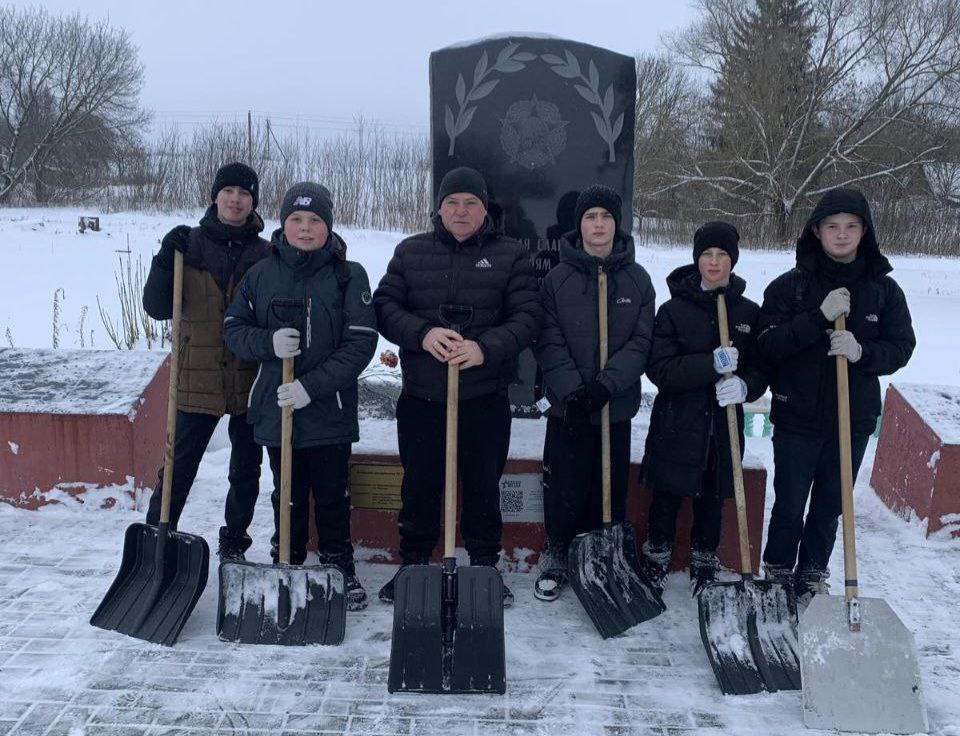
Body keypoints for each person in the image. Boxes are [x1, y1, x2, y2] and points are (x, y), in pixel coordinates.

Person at [373, 166, 541, 607]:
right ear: (439, 209)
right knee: (419, 485)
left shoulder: (511, 256)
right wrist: (423, 333)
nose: (461, 211)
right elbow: (385, 306)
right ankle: (413, 565)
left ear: (485, 210)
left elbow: (527, 317)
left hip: (484, 397)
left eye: (470, 203)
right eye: (452, 203)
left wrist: (485, 348)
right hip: (423, 397)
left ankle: (484, 567)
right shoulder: (410, 252)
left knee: (484, 487)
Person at [222, 182, 377, 611]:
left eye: (314, 220)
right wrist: (267, 342)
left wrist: (312, 387)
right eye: (296, 219)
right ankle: (285, 558)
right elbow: (233, 328)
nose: (305, 228)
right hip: (278, 407)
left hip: (329, 410)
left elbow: (361, 342)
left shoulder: (349, 276)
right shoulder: (261, 274)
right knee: (286, 491)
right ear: (283, 224)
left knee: (332, 494)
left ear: (328, 226)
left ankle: (338, 563)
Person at [757, 187, 915, 604]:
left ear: (864, 231)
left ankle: (812, 574)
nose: (841, 235)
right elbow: (768, 344)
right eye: (832, 226)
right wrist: (817, 318)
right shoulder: (789, 288)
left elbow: (902, 347)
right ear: (817, 231)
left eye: (850, 226)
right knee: (790, 503)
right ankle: (777, 571)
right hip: (797, 417)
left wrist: (863, 352)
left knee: (830, 505)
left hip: (852, 419)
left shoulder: (884, 292)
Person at [531, 185, 656, 601]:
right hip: (568, 407)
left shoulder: (637, 280)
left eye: (605, 216)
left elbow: (641, 342)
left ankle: (603, 556)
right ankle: (557, 551)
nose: (598, 225)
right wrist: (572, 390)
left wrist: (606, 385)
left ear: (617, 224)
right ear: (579, 225)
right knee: (564, 484)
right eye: (590, 217)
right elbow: (547, 339)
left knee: (609, 486)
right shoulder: (557, 279)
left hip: (613, 406)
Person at [141, 162, 269, 560]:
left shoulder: (265, 254)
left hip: (250, 378)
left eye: (244, 193)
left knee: (245, 470)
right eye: (228, 191)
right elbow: (156, 307)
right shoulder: (187, 246)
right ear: (215, 196)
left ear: (253, 202)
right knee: (178, 467)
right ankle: (156, 539)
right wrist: (164, 260)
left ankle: (234, 541)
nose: (236, 199)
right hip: (197, 379)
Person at [639, 222, 768, 595]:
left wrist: (745, 386)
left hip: (723, 425)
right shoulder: (674, 311)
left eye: (722, 254)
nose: (714, 262)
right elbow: (660, 369)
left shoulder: (748, 312)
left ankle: (704, 560)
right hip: (677, 422)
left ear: (733, 260)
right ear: (696, 259)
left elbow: (761, 368)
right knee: (666, 495)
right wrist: (708, 364)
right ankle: (657, 556)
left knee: (713, 497)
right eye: (707, 254)